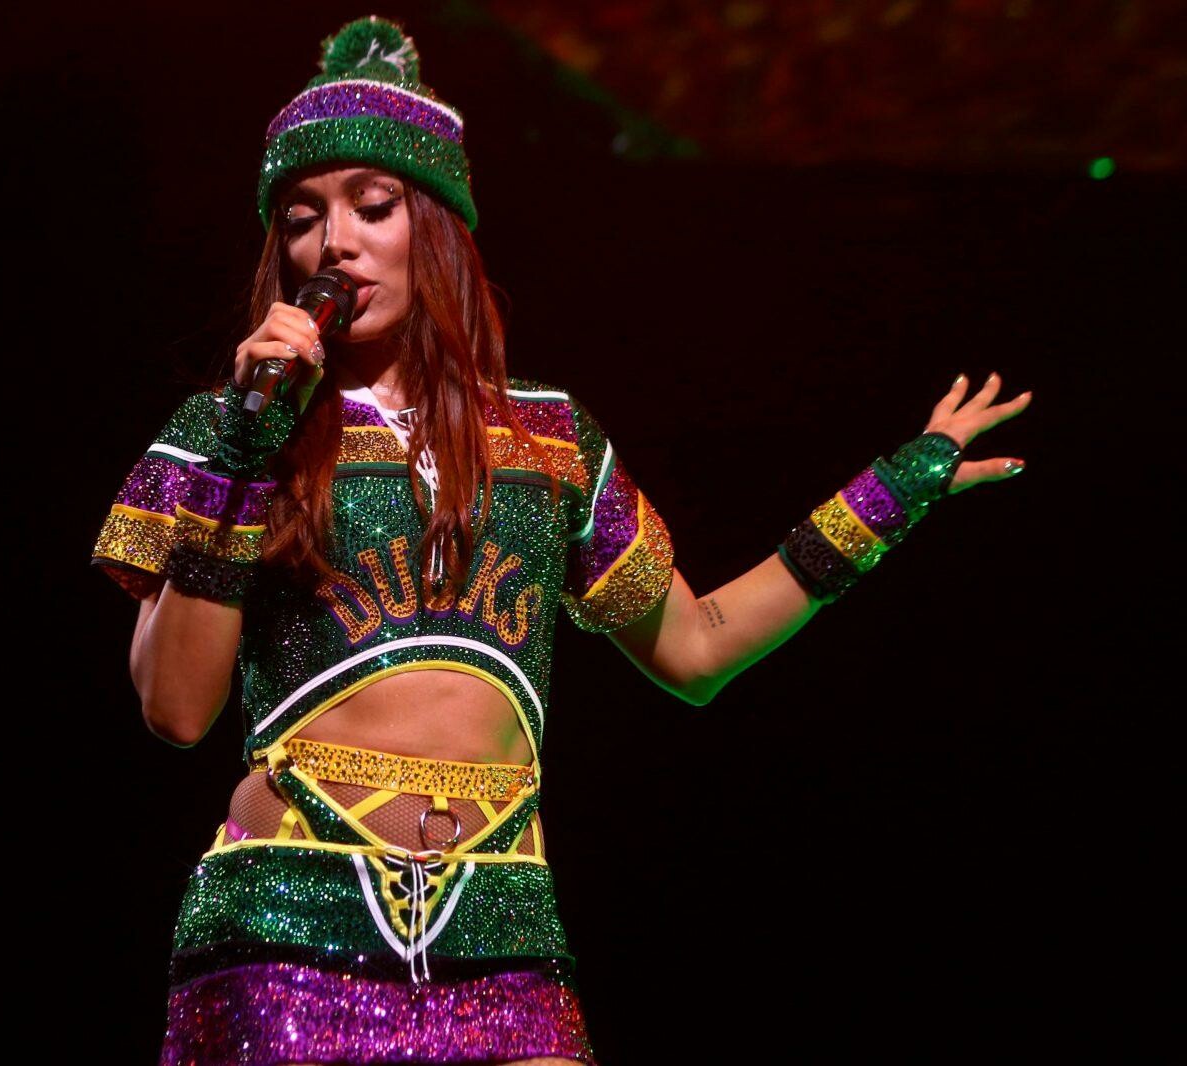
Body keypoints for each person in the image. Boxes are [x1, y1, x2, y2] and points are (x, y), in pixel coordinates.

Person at [90, 16, 1032, 1065]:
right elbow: (176, 710)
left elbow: (698, 648)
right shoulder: (228, 431)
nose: (334, 244)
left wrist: (889, 497)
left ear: (436, 224)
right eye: (303, 219)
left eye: (373, 205)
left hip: (503, 922)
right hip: (285, 917)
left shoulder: (547, 438)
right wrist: (243, 452)